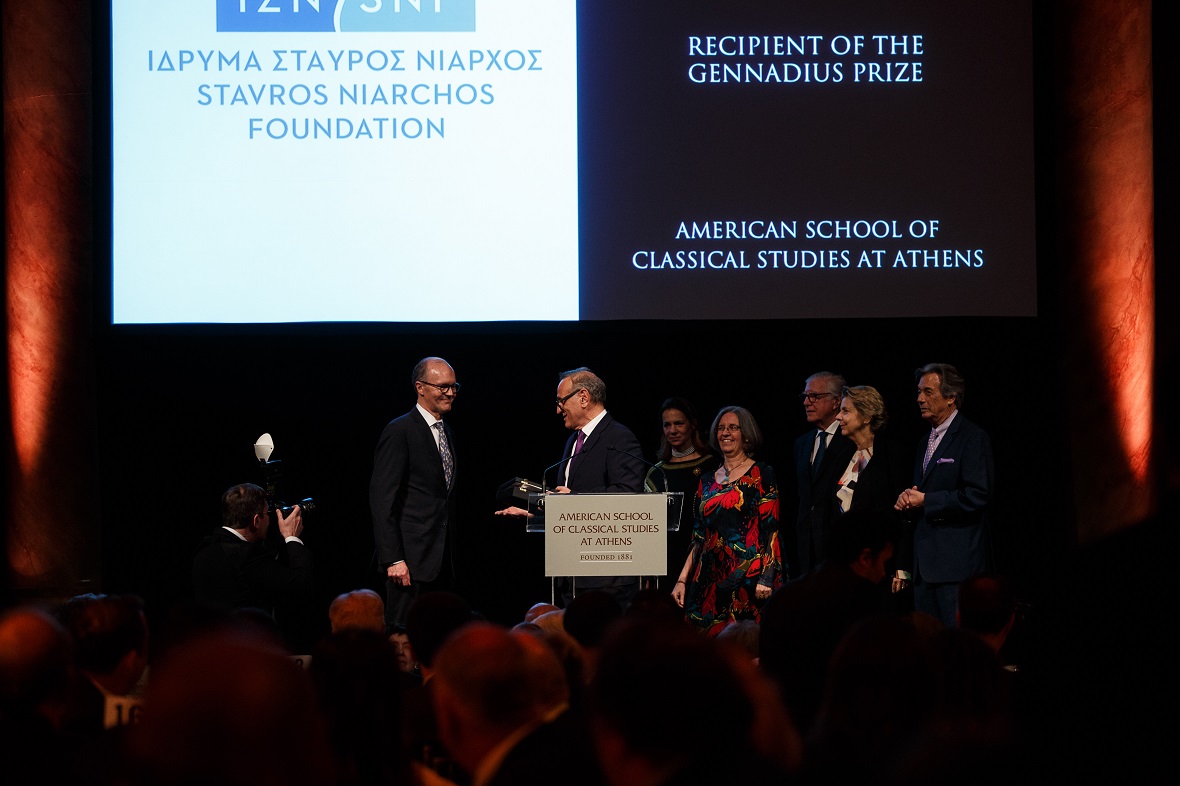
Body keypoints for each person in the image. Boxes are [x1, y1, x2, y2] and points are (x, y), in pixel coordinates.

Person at [497, 368, 646, 609]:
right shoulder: (574, 441)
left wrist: (575, 499)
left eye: (561, 401)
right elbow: (568, 504)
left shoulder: (619, 437)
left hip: (606, 579)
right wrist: (536, 516)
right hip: (572, 574)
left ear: (584, 397)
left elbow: (629, 495)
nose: (558, 409)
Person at [759, 509, 898, 736]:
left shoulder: (784, 596)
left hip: (780, 730)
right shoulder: (862, 600)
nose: (884, 573)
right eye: (883, 562)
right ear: (865, 558)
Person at [895, 363, 994, 629]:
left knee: (957, 648)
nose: (919, 399)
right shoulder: (924, 441)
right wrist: (910, 498)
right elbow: (925, 491)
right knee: (929, 649)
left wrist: (927, 500)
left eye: (928, 392)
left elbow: (977, 495)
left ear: (951, 397)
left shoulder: (972, 437)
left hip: (956, 568)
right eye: (918, 392)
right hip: (924, 569)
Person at [671, 406, 782, 636]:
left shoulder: (761, 473)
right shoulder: (706, 481)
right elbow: (698, 536)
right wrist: (682, 581)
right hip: (708, 582)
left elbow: (771, 528)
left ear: (746, 434)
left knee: (743, 648)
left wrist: (767, 576)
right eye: (721, 428)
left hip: (749, 581)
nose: (726, 433)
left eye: (733, 427)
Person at [370, 356, 461, 628]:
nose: (450, 393)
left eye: (454, 386)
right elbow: (381, 499)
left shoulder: (448, 433)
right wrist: (394, 558)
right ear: (420, 387)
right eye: (443, 387)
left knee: (437, 635)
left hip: (441, 560)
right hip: (408, 563)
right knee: (404, 637)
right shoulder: (399, 431)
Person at [192, 482, 311, 616]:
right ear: (256, 521)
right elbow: (301, 583)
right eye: (266, 513)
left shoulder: (205, 547)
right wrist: (291, 536)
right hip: (244, 635)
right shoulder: (246, 555)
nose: (269, 519)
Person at [642, 397, 715, 591]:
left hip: (705, 560)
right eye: (667, 425)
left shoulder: (712, 466)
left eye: (679, 423)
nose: (672, 430)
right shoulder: (655, 473)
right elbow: (646, 531)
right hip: (665, 566)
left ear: (693, 424)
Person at [793, 372, 856, 577]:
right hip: (806, 548)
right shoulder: (802, 443)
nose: (807, 402)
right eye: (804, 397)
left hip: (838, 546)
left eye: (814, 397)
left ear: (836, 401)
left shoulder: (852, 440)